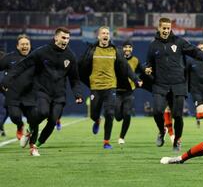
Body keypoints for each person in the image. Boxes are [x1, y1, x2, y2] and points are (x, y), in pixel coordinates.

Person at [2, 27, 83, 156]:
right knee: (43, 112)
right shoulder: (42, 52)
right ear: (56, 37)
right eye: (63, 37)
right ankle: (31, 134)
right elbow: (23, 65)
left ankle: (36, 144)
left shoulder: (70, 56)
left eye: (68, 38)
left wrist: (78, 94)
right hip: (42, 91)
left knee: (52, 121)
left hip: (59, 94)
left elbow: (74, 79)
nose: (66, 41)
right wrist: (7, 79)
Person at [145, 17, 203, 151]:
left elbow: (195, 52)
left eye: (168, 28)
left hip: (178, 85)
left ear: (170, 28)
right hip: (160, 85)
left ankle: (177, 140)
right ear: (159, 28)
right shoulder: (153, 46)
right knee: (157, 112)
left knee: (177, 116)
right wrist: (148, 69)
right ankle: (161, 131)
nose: (166, 30)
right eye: (163, 28)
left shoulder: (179, 42)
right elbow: (149, 64)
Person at [78, 26, 141, 149]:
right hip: (95, 87)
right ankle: (97, 121)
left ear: (109, 36)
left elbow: (126, 67)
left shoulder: (115, 51)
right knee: (94, 115)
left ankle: (106, 141)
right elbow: (81, 65)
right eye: (103, 33)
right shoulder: (92, 50)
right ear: (99, 36)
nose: (105, 35)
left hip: (111, 87)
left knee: (110, 113)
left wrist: (136, 79)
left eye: (107, 33)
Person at [0, 34, 34, 144]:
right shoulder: (9, 58)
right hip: (13, 94)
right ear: (17, 46)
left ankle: (32, 140)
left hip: (30, 94)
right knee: (14, 116)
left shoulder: (35, 57)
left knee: (35, 117)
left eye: (27, 44)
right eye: (22, 44)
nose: (25, 46)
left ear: (30, 45)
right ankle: (20, 126)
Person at [115, 40, 143, 145]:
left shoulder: (135, 60)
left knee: (127, 114)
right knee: (118, 117)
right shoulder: (116, 59)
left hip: (129, 92)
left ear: (132, 49)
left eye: (129, 47)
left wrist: (145, 72)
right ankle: (120, 112)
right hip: (117, 91)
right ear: (122, 48)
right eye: (125, 47)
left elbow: (142, 70)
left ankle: (121, 137)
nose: (127, 49)